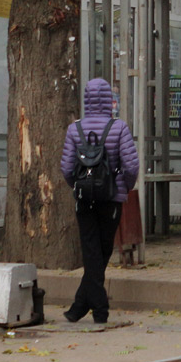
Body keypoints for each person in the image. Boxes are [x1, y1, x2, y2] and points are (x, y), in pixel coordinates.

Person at [59, 77, 140, 324]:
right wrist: (123, 188)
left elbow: (66, 168)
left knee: (92, 251)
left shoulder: (75, 128)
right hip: (110, 198)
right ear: (108, 99)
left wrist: (79, 187)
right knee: (102, 251)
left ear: (86, 99)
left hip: (84, 199)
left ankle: (79, 307)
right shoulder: (119, 128)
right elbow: (131, 166)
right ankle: (100, 309)